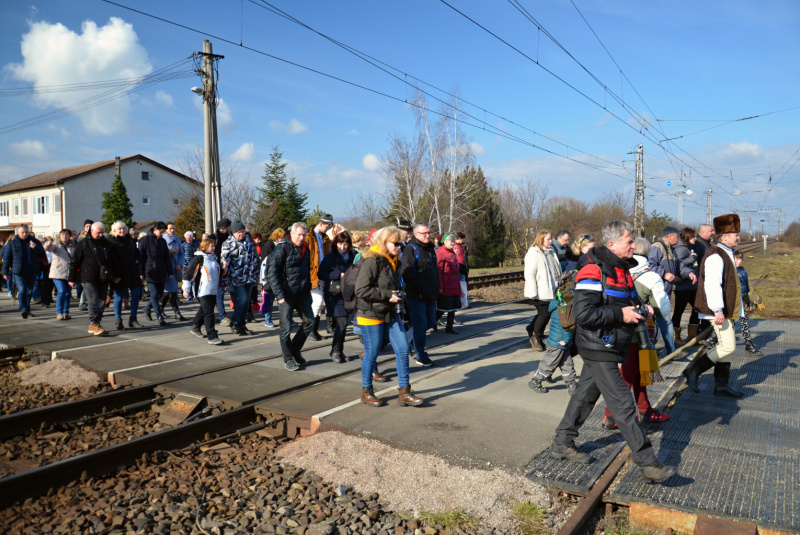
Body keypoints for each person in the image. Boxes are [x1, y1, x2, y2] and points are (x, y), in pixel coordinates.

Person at [550, 220, 676, 484]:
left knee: (585, 396)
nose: (634, 246)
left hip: (609, 344)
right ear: (611, 244)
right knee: (623, 405)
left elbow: (627, 301)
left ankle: (562, 442)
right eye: (629, 241)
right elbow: (584, 314)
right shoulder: (593, 271)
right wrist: (622, 314)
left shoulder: (622, 269)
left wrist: (641, 309)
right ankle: (648, 463)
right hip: (597, 345)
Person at [602, 238, 671, 428]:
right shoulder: (651, 277)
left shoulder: (618, 271)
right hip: (640, 333)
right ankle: (611, 415)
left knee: (638, 373)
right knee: (628, 375)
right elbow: (663, 309)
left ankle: (644, 409)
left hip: (618, 329)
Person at [355, 226, 424, 408]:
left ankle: (404, 392)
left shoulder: (394, 261)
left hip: (390, 313)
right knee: (372, 353)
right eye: (396, 244)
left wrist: (398, 295)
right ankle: (367, 391)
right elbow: (361, 289)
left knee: (403, 349)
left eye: (401, 244)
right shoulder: (372, 261)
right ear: (384, 243)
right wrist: (387, 295)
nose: (399, 247)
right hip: (371, 314)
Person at [684, 214, 746, 398]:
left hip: (725, 310)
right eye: (735, 234)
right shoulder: (716, 256)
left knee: (724, 346)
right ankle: (693, 370)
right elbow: (712, 284)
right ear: (724, 237)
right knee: (728, 347)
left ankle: (721, 385)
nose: (738, 238)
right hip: (718, 310)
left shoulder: (725, 253)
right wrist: (718, 309)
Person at [268, 222, 315, 371]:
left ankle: (294, 349)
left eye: (304, 235)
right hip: (286, 295)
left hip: (302, 293)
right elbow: (272, 273)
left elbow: (306, 270)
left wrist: (308, 289)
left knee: (310, 321)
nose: (302, 237)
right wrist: (279, 294)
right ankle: (288, 359)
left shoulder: (305, 248)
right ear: (292, 233)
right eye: (299, 234)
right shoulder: (282, 248)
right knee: (285, 329)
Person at [648, 225, 697, 356]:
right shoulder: (657, 247)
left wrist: (689, 273)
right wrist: (664, 274)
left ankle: (668, 350)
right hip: (656, 292)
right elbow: (650, 265)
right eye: (677, 235)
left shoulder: (671, 249)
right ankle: (667, 350)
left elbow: (679, 266)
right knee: (661, 321)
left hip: (665, 291)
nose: (679, 238)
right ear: (670, 236)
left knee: (663, 321)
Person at [400, 223, 439, 367]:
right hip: (416, 296)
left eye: (429, 233)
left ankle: (404, 342)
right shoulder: (411, 249)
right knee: (420, 325)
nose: (427, 235)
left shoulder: (430, 249)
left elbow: (434, 271)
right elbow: (406, 272)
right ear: (416, 235)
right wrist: (419, 288)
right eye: (424, 233)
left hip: (430, 294)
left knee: (430, 322)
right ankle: (420, 355)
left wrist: (437, 287)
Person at [69, 222, 114, 336]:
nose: (101, 235)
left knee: (102, 301)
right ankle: (94, 322)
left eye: (102, 232)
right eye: (99, 232)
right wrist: (72, 278)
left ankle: (96, 323)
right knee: (93, 300)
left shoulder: (106, 243)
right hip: (88, 276)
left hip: (103, 277)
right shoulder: (83, 243)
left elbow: (112, 260)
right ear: (92, 231)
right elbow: (74, 262)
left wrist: (114, 274)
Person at [528, 299, 578, 395]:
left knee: (567, 364)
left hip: (557, 341)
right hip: (559, 342)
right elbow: (567, 327)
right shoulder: (566, 310)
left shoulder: (556, 306)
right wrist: (567, 340)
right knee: (549, 364)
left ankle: (571, 383)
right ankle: (536, 380)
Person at [319, 231, 355, 363]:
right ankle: (336, 351)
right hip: (334, 294)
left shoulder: (353, 257)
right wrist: (338, 275)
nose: (343, 247)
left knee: (344, 323)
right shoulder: (330, 257)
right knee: (342, 323)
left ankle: (338, 350)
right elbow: (321, 274)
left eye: (345, 244)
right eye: (340, 243)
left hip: (349, 294)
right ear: (335, 244)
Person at [524, 230, 562, 351]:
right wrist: (533, 292)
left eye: (551, 239)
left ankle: (532, 329)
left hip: (551, 289)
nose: (551, 241)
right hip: (540, 291)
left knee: (545, 313)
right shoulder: (534, 252)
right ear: (541, 240)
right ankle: (536, 336)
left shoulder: (550, 252)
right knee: (545, 314)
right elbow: (529, 273)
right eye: (548, 239)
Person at [221, 221, 259, 336]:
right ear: (233, 232)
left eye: (242, 232)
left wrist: (256, 273)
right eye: (238, 232)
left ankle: (242, 325)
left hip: (249, 277)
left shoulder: (248, 241)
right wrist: (224, 277)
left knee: (246, 302)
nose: (241, 234)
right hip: (236, 277)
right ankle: (234, 322)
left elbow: (254, 258)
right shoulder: (227, 243)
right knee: (242, 299)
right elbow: (224, 261)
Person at [184, 237, 223, 345]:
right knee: (209, 313)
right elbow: (188, 274)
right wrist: (186, 289)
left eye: (214, 245)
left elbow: (219, 274)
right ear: (205, 247)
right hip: (202, 291)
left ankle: (195, 327)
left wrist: (224, 268)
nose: (214, 247)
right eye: (211, 246)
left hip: (213, 290)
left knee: (204, 310)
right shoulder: (199, 258)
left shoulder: (214, 258)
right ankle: (212, 336)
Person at [2, 225, 46, 318]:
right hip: (19, 271)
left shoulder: (35, 242)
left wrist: (36, 248)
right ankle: (23, 309)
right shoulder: (12, 243)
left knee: (29, 291)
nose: (25, 234)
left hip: (32, 270)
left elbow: (42, 254)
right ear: (18, 233)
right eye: (22, 232)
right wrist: (5, 272)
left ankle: (27, 308)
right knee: (22, 290)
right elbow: (6, 258)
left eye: (26, 232)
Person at [107, 221, 143, 330]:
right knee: (119, 297)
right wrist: (114, 276)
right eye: (120, 229)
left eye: (124, 228)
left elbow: (137, 252)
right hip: (119, 274)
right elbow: (111, 259)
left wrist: (137, 260)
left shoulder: (129, 239)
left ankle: (133, 319)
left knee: (136, 294)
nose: (122, 231)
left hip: (132, 272)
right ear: (114, 230)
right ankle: (118, 320)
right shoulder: (111, 241)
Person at [138, 221, 174, 326]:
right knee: (154, 294)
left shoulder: (162, 241)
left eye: (164, 232)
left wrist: (170, 271)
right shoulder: (145, 240)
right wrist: (141, 271)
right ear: (155, 230)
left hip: (161, 271)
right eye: (161, 232)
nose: (162, 234)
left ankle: (147, 308)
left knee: (160, 294)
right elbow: (141, 257)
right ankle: (159, 316)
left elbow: (167, 257)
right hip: (150, 272)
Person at [306, 213, 333, 341]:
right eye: (327, 226)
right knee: (317, 302)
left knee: (319, 303)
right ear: (321, 224)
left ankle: (313, 330)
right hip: (313, 275)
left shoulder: (325, 238)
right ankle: (310, 330)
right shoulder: (309, 237)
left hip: (323, 274)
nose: (328, 228)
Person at [672, 227, 700, 345]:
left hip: (691, 286)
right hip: (682, 287)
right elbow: (677, 264)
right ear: (687, 237)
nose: (695, 238)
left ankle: (692, 335)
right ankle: (676, 337)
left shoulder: (688, 248)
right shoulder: (681, 249)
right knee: (679, 311)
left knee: (697, 309)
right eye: (693, 236)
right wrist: (692, 258)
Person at [734, 250, 763, 357]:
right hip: (732, 301)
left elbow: (747, 288)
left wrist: (750, 302)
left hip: (741, 300)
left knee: (744, 320)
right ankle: (712, 341)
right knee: (728, 323)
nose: (736, 261)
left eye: (738, 259)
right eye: (735, 259)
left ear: (742, 260)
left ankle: (748, 343)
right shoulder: (730, 271)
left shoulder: (743, 271)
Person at [44, 229, 75, 320]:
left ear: (69, 236)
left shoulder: (73, 246)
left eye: (66, 235)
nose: (64, 237)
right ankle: (59, 313)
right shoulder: (56, 245)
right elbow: (48, 248)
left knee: (68, 293)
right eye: (62, 235)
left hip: (69, 273)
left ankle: (65, 312)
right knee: (62, 291)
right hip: (57, 272)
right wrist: (47, 244)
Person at [435, 234, 463, 335]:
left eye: (453, 241)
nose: (452, 243)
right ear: (445, 242)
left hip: (454, 284)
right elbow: (438, 271)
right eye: (450, 241)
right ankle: (432, 322)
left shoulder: (452, 252)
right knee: (443, 307)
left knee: (453, 307)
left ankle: (449, 326)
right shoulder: (440, 253)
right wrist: (441, 286)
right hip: (446, 285)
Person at [260, 228, 286, 328]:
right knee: (269, 300)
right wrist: (264, 281)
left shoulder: (283, 247)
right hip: (269, 278)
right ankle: (268, 319)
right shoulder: (268, 247)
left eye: (283, 237)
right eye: (280, 237)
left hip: (280, 277)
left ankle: (285, 319)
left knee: (282, 300)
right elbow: (264, 265)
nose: (282, 239)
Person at [160, 222, 185, 321]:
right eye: (170, 228)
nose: (173, 230)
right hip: (166, 269)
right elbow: (160, 255)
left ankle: (160, 309)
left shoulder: (177, 239)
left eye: (173, 228)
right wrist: (170, 252)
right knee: (170, 291)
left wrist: (180, 264)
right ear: (166, 230)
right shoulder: (162, 240)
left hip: (175, 268)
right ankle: (176, 313)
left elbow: (181, 253)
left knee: (171, 291)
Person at [214, 218, 232, 325]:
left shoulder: (229, 237)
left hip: (225, 269)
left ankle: (218, 314)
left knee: (219, 293)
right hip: (217, 268)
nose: (230, 228)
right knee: (219, 292)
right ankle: (222, 317)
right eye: (229, 226)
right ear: (223, 228)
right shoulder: (215, 238)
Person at [455, 232, 470, 309]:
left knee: (463, 285)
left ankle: (463, 302)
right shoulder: (456, 247)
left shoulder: (460, 247)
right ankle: (463, 303)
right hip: (459, 267)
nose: (462, 240)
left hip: (462, 267)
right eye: (461, 238)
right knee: (462, 286)